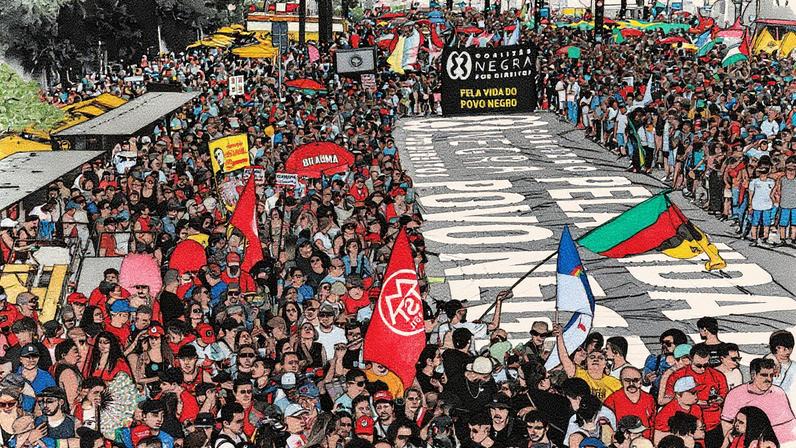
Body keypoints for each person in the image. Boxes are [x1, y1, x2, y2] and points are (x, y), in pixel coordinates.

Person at [721, 358, 796, 444]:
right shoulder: (735, 394)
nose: (769, 379)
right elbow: (727, 426)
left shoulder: (779, 393)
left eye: (771, 375)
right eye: (764, 375)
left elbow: (790, 424)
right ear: (753, 375)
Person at [555, 324, 621, 402]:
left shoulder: (615, 383)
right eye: (592, 357)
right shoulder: (578, 373)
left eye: (600, 358)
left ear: (605, 363)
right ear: (586, 361)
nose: (596, 359)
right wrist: (559, 336)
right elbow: (564, 357)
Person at [604, 367, 655, 440]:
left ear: (641, 381)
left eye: (635, 380)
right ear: (621, 381)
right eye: (627, 380)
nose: (631, 384)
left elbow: (653, 424)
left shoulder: (649, 399)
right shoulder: (612, 399)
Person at [654, 377, 704, 444]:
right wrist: (686, 437)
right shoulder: (666, 412)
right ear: (678, 395)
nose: (696, 396)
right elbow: (657, 438)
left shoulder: (696, 408)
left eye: (696, 392)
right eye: (692, 393)